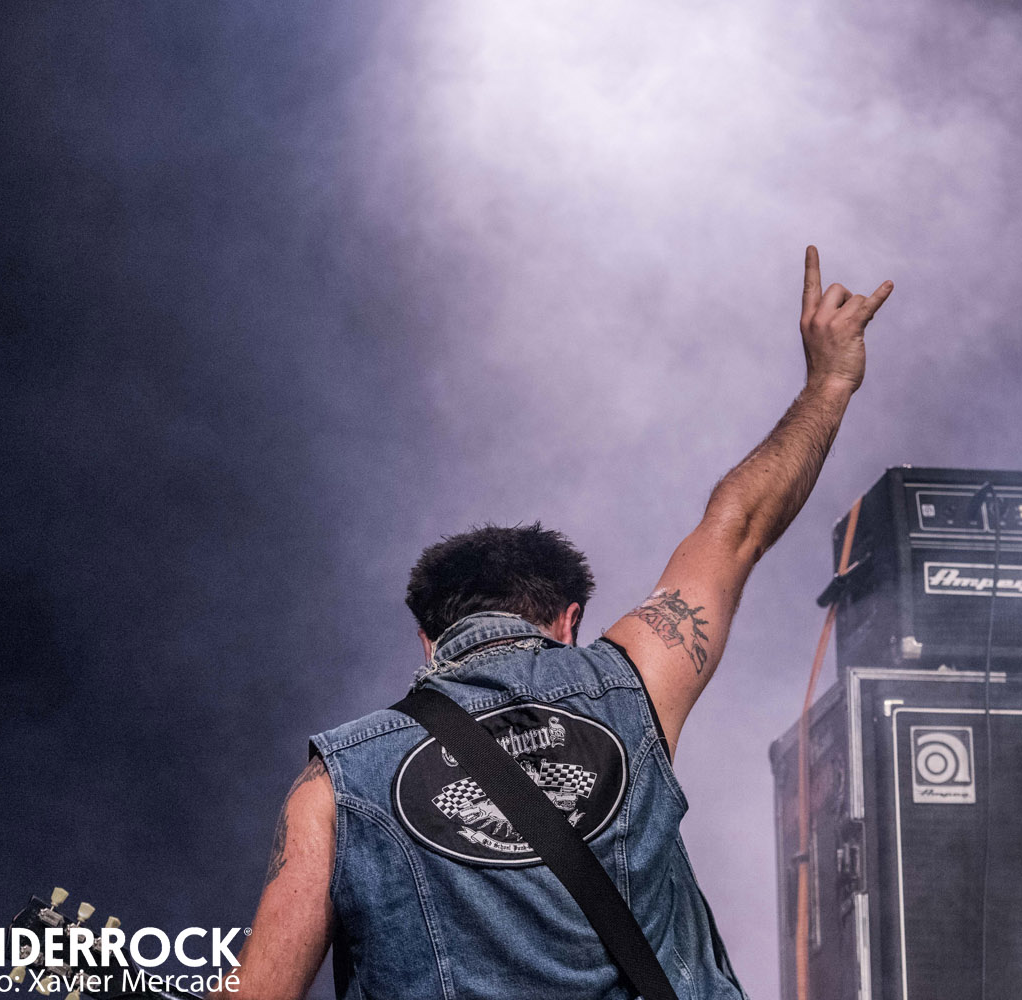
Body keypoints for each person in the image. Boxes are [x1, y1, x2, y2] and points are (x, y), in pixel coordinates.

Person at [214, 247, 893, 999]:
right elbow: (737, 525)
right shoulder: (632, 679)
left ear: (427, 642)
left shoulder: (335, 784)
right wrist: (830, 382)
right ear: (569, 621)